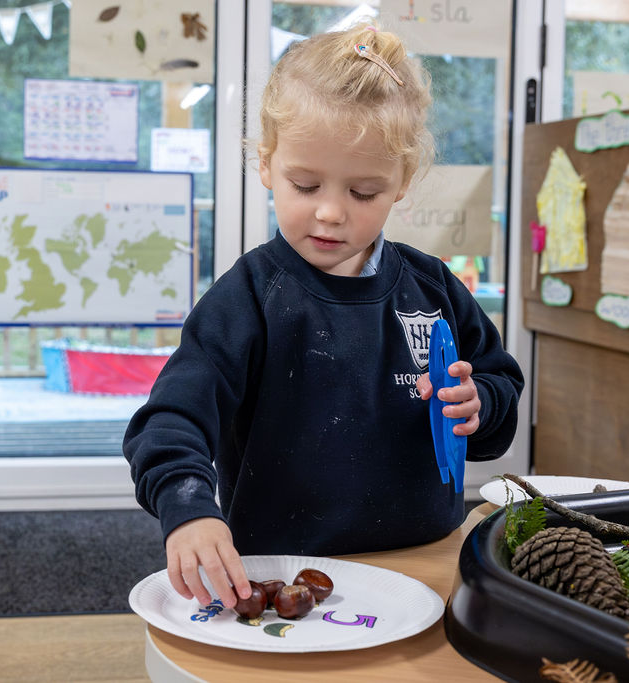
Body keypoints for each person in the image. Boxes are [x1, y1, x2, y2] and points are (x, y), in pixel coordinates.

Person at [123, 23, 524, 609]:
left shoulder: (433, 286)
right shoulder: (249, 297)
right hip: (281, 573)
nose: (331, 213)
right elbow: (168, 421)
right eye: (305, 184)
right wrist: (188, 511)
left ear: (401, 184)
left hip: (424, 561)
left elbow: (499, 387)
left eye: (364, 192)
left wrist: (479, 405)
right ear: (266, 164)